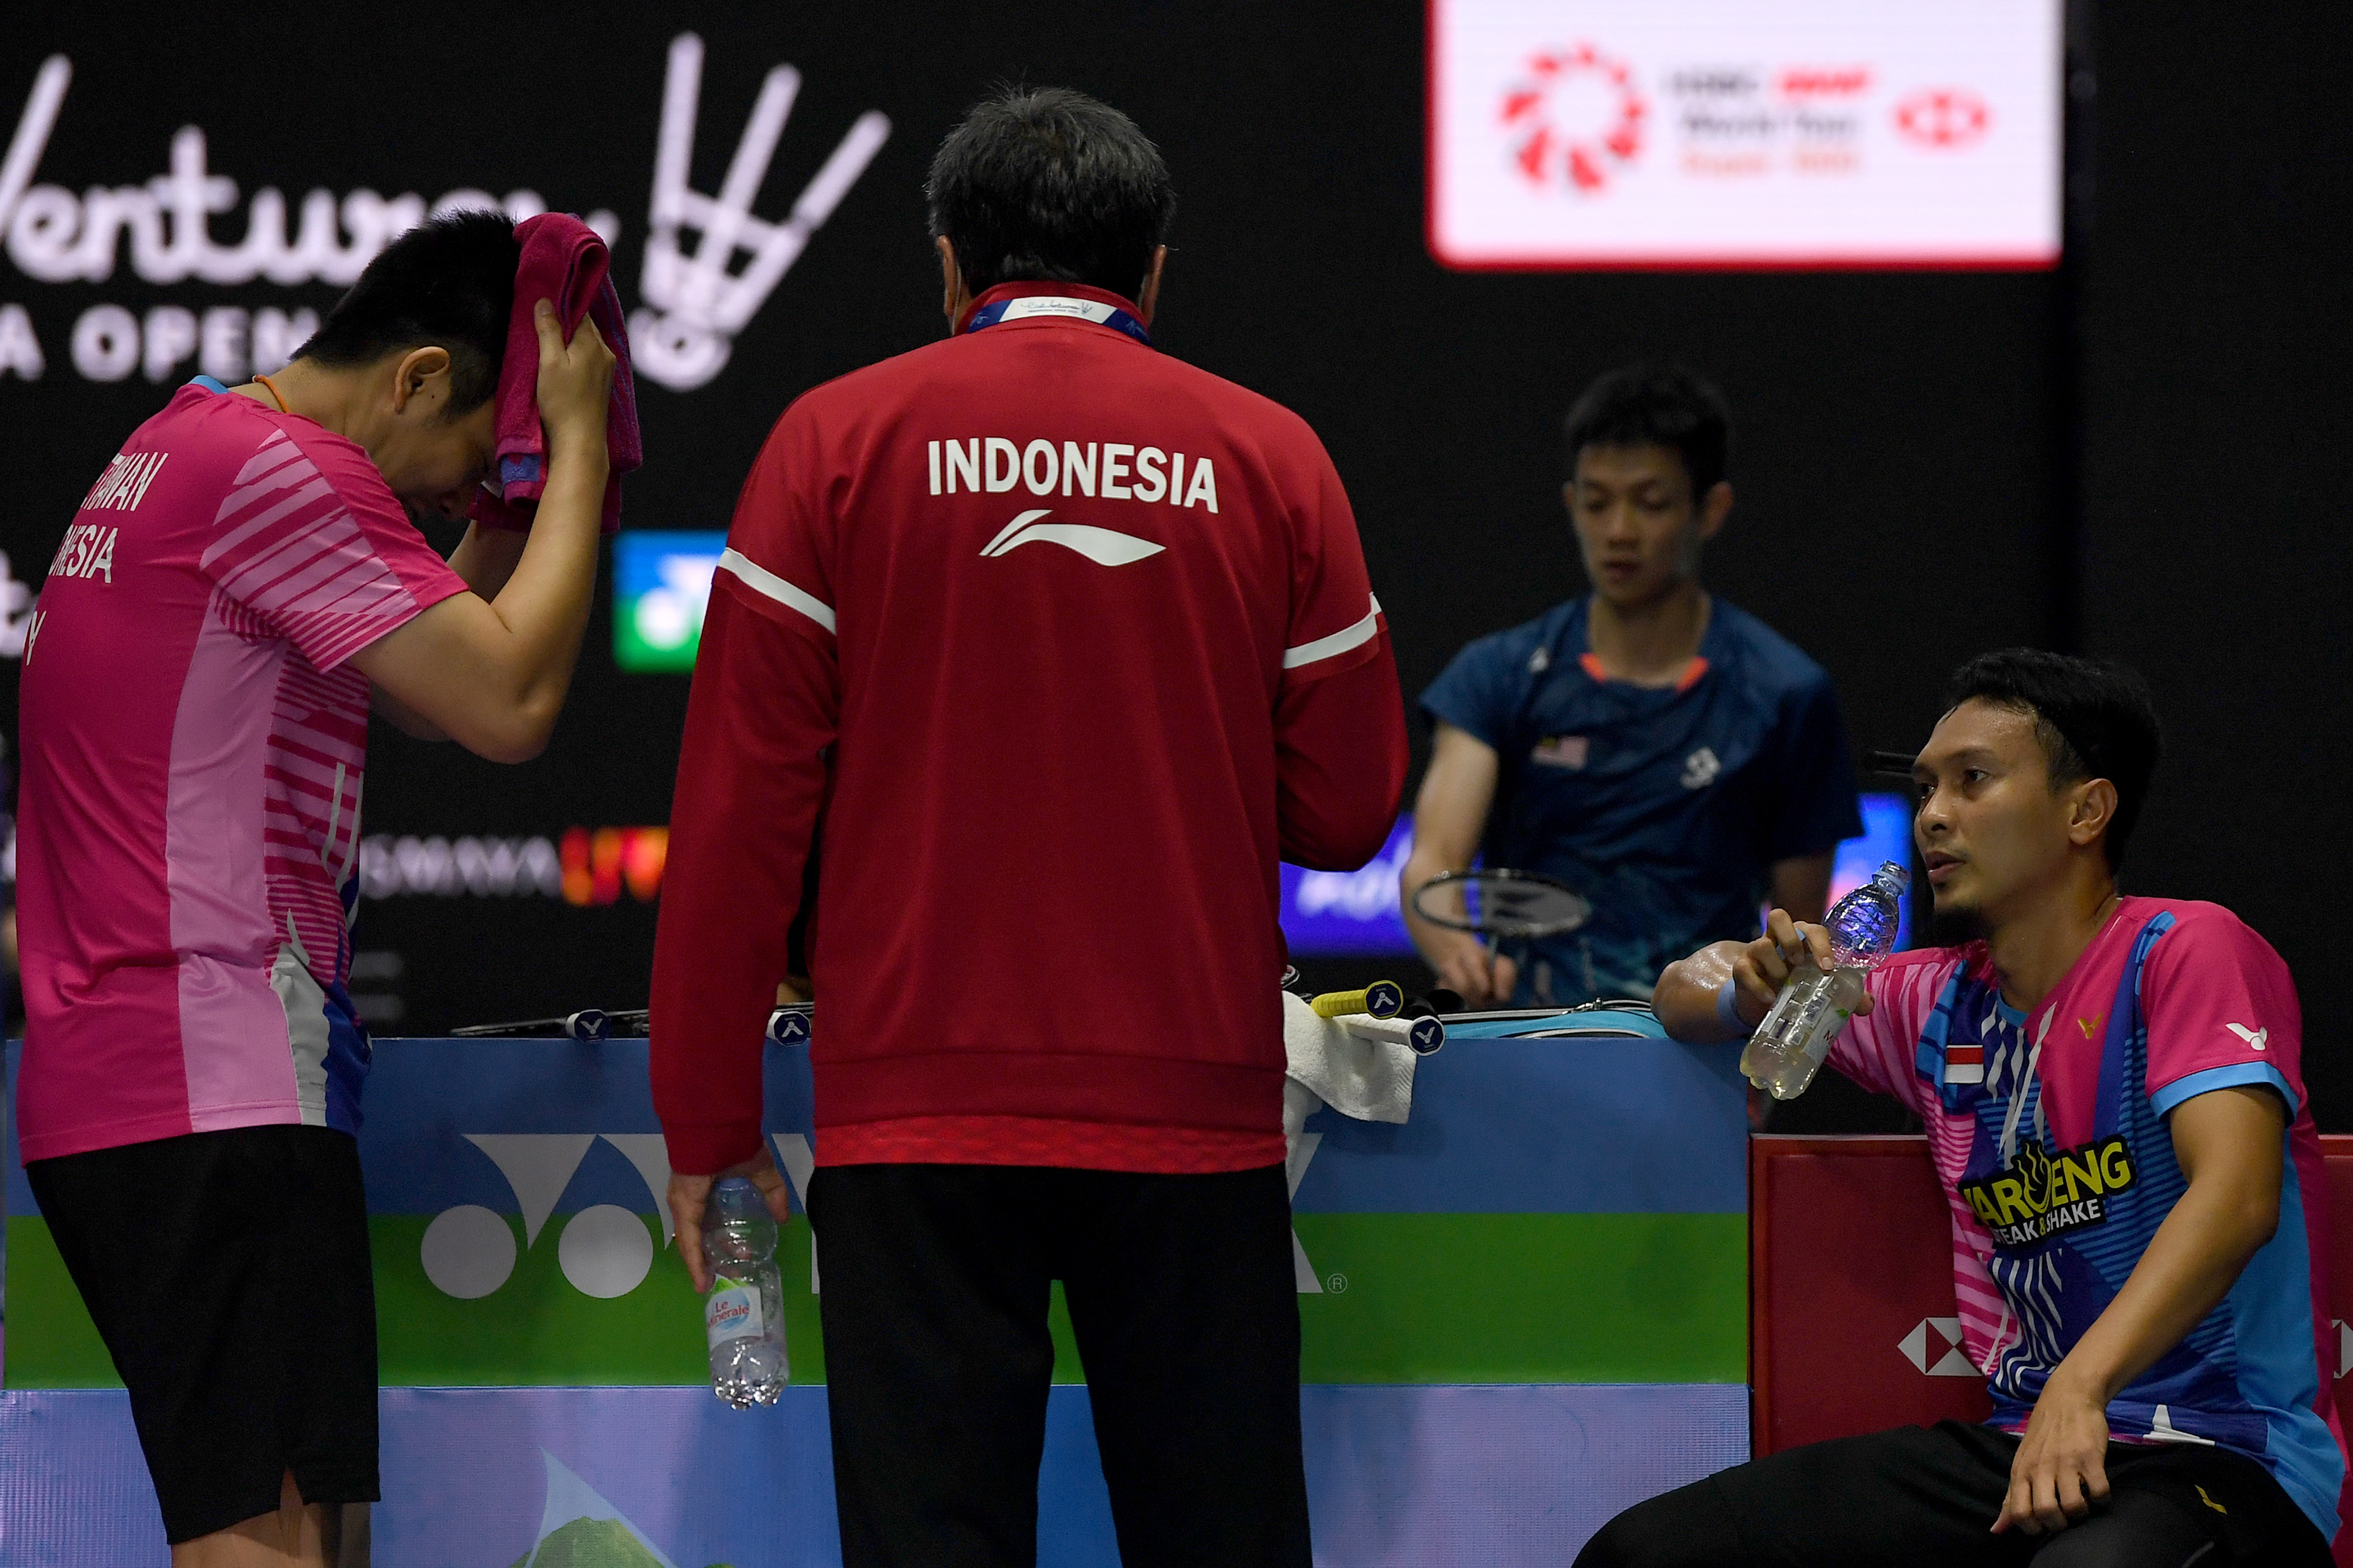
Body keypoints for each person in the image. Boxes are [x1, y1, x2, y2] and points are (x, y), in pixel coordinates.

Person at [648, 88, 1407, 1568]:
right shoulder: (1272, 458)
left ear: (949, 265)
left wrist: (710, 1128)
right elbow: (1345, 807)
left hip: (911, 1122)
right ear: (1156, 272)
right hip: (1191, 1119)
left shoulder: (829, 442)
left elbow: (737, 824)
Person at [12, 211, 616, 1567]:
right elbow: (507, 699)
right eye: (470, 458)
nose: (458, 500)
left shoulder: (186, 445)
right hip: (215, 1070)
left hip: (123, 1080)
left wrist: (515, 502)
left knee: (301, 1536)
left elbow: (425, 691)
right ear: (412, 375)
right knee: (271, 1548)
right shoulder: (287, 472)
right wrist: (575, 448)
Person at [1586, 649, 2341, 1566]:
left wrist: (2081, 1386)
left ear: (2084, 810)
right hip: (2024, 1444)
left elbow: (2236, 1197)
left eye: (1973, 781)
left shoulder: (2184, 951)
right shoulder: (1933, 1000)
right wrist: (1744, 981)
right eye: (1927, 788)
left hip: (2222, 1455)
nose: (1934, 815)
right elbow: (1676, 995)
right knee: (1649, 1551)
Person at [1402, 365, 1861, 1007]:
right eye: (1596, 502)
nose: (1618, 530)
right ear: (1571, 506)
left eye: (1650, 502)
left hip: (1701, 1053)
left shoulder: (1786, 693)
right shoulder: (1496, 674)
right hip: (1527, 1037)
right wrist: (1456, 950)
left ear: (1710, 509)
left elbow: (1797, 934)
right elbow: (1432, 862)